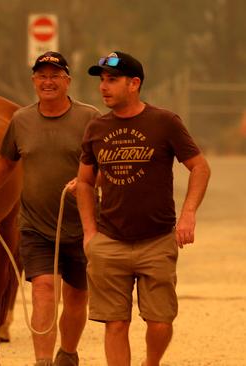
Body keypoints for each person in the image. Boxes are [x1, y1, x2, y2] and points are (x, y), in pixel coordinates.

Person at [78, 51, 211, 366]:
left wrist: (188, 213)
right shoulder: (96, 128)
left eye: (112, 80)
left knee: (161, 322)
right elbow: (84, 182)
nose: (104, 87)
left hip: (157, 240)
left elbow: (200, 167)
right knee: (116, 322)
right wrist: (89, 233)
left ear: (134, 83)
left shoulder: (165, 122)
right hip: (109, 240)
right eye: (102, 80)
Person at [0, 51, 100, 366]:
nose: (48, 82)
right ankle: (43, 361)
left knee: (75, 298)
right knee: (43, 289)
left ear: (67, 81)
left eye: (55, 76)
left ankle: (67, 354)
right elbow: (6, 160)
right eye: (42, 76)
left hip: (80, 225)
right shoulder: (22, 120)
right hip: (35, 226)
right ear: (33, 81)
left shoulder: (90, 118)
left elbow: (105, 163)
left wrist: (91, 183)